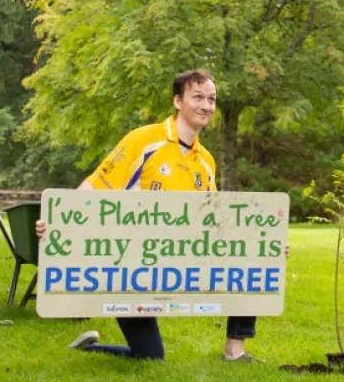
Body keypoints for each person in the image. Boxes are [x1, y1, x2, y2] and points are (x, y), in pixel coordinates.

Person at [36, 69, 284, 362]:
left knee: (251, 255)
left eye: (212, 99)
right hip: (131, 266)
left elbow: (216, 223)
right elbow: (96, 184)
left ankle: (235, 351)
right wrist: (62, 219)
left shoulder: (206, 161)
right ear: (178, 101)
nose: (206, 105)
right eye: (198, 97)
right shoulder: (143, 140)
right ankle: (90, 347)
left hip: (177, 261)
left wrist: (268, 245)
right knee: (151, 358)